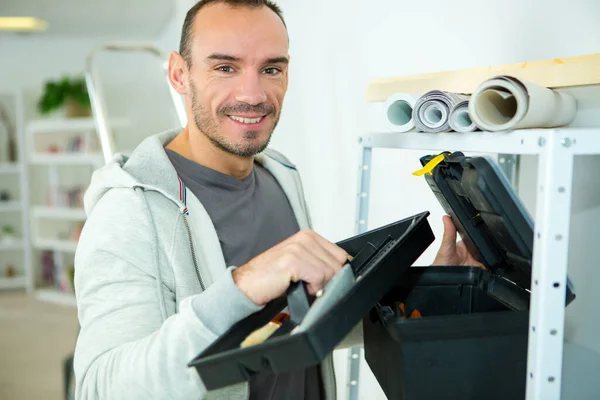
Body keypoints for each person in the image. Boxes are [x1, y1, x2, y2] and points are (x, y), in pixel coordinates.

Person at [72, 1, 481, 399]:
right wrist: (241, 287)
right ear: (180, 74)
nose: (252, 94)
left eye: (270, 68)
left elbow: (301, 325)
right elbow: (101, 387)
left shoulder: (279, 174)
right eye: (225, 67)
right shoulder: (128, 210)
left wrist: (434, 288)